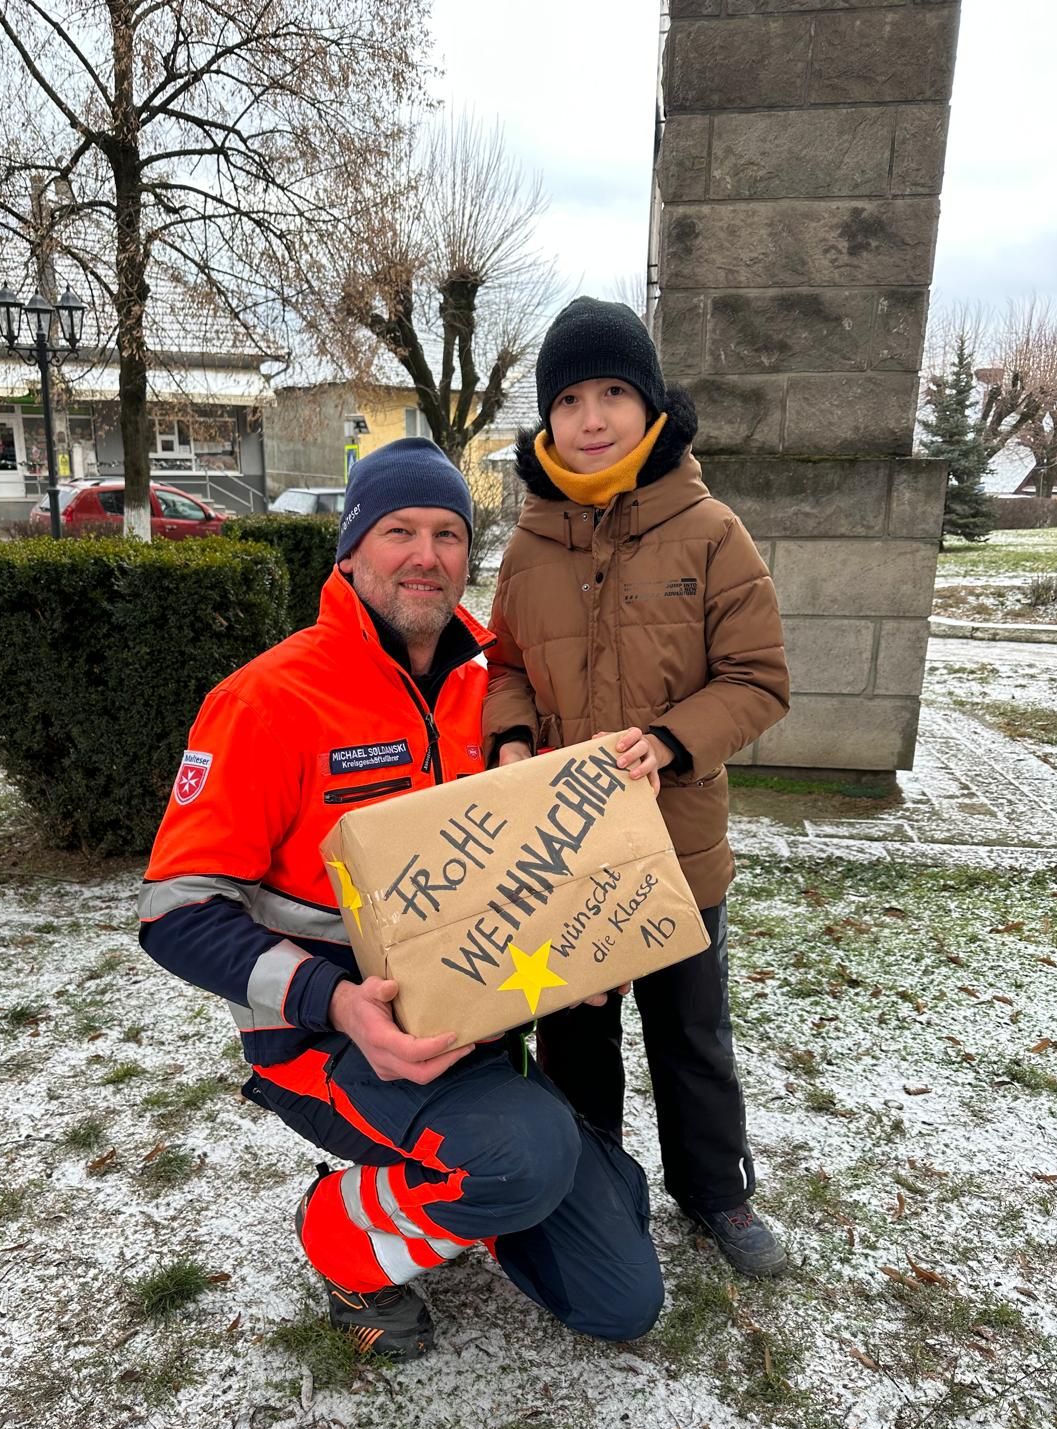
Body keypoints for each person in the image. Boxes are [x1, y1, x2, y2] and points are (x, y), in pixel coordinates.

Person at [138, 437, 664, 1360]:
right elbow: (173, 914)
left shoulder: (495, 694)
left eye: (449, 534)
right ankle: (341, 1233)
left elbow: (541, 863)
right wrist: (335, 1002)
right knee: (523, 1158)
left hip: (475, 1031)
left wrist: (584, 953)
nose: (427, 555)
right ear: (349, 551)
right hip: (326, 1044)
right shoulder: (266, 700)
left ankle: (478, 1178)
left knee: (620, 1297)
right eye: (398, 531)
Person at [484, 297, 791, 1278]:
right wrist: (512, 735)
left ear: (651, 402)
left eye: (613, 390)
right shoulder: (529, 545)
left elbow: (758, 677)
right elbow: (504, 662)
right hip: (569, 854)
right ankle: (591, 1182)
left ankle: (715, 1192)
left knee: (691, 1032)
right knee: (577, 1040)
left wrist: (670, 739)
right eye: (569, 397)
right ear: (547, 420)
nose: (592, 415)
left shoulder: (710, 532)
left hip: (679, 849)